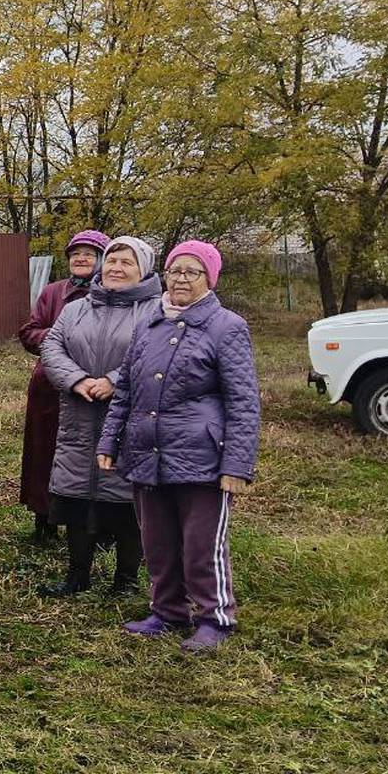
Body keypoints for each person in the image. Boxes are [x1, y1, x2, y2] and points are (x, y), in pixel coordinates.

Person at [97, 239, 260, 652]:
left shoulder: (227, 327)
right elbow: (127, 391)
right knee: (158, 540)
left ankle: (215, 617)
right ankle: (167, 611)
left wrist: (236, 466)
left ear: (209, 279)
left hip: (203, 458)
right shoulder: (149, 325)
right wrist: (110, 441)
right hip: (147, 451)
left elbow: (243, 401)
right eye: (175, 270)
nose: (181, 279)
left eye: (192, 272)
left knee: (202, 544)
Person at [39, 237, 162, 597]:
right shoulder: (77, 307)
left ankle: (125, 581)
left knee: (127, 499)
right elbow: (52, 346)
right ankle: (77, 576)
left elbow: (154, 355)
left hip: (130, 417)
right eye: (111, 261)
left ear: (144, 270)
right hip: (78, 414)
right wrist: (77, 380)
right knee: (77, 494)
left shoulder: (157, 309)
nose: (116, 269)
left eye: (127, 263)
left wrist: (113, 381)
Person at [18, 229, 110, 543]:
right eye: (75, 254)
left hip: (95, 390)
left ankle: (92, 525)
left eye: (89, 254)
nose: (81, 259)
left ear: (102, 259)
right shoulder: (53, 293)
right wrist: (60, 339)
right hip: (50, 387)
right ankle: (43, 519)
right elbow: (29, 333)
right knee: (44, 453)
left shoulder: (114, 295)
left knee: (90, 456)